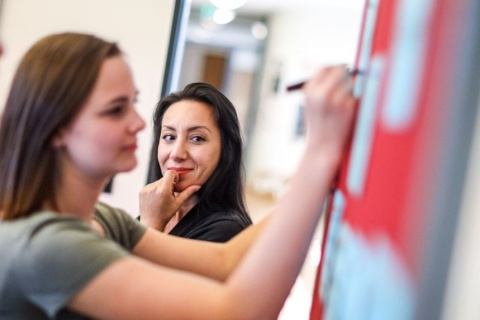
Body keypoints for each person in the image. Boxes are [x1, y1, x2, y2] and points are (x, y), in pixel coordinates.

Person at [0, 32, 355, 320]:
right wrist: (320, 154)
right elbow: (238, 312)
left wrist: (321, 178)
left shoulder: (102, 219)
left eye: (133, 104)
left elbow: (226, 261)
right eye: (115, 110)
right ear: (56, 129)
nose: (140, 124)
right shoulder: (47, 246)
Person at [139, 82, 253, 242]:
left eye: (197, 138)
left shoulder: (227, 231)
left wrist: (150, 225)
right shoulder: (149, 216)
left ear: (226, 150)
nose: (177, 153)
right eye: (169, 137)